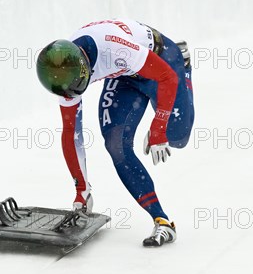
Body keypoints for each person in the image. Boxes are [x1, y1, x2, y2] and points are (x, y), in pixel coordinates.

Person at [36, 19, 194, 247]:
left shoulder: (113, 47)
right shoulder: (63, 76)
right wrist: (82, 189)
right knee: (115, 144)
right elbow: (71, 132)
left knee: (177, 137)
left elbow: (167, 77)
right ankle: (162, 221)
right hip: (123, 74)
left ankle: (186, 66)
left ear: (85, 65)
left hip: (160, 61)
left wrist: (158, 128)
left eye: (83, 82)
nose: (77, 91)